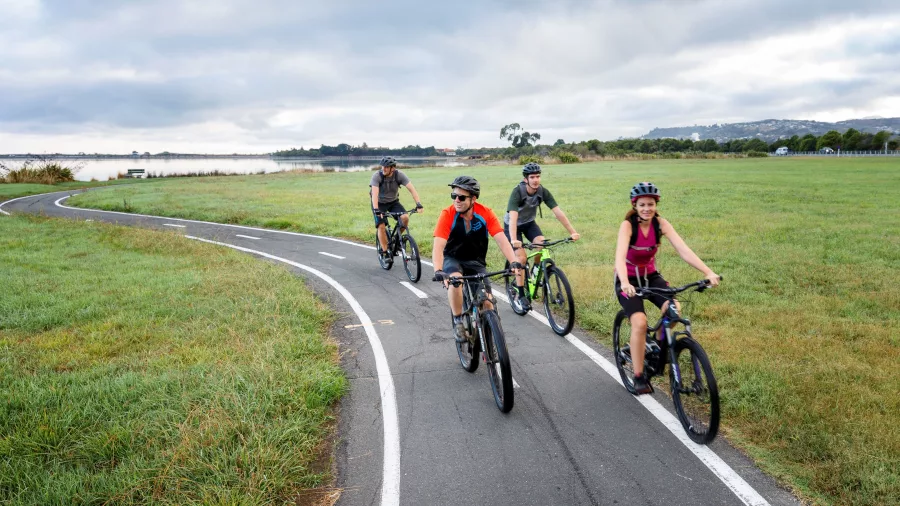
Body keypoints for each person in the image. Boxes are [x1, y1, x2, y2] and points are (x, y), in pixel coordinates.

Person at [614, 182, 720, 394]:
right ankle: (638, 375)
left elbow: (684, 250)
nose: (647, 208)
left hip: (651, 276)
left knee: (674, 310)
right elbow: (619, 256)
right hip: (629, 279)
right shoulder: (628, 226)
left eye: (650, 204)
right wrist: (625, 283)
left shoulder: (661, 224)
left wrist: (707, 272)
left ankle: (655, 346)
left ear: (656, 204)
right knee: (640, 322)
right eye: (642, 204)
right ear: (635, 205)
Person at [432, 176, 522, 342]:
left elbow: (501, 238)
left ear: (473, 199)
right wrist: (438, 270)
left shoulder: (485, 213)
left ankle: (489, 335)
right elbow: (438, 245)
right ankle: (458, 320)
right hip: (452, 259)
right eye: (454, 196)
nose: (456, 200)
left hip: (475, 261)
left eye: (461, 197)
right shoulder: (448, 214)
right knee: (456, 281)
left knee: (487, 304)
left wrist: (513, 260)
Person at [505, 162, 580, 310]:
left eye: (538, 176)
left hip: (529, 223)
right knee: (521, 258)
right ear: (525, 179)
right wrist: (514, 240)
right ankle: (521, 294)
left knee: (541, 243)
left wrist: (572, 232)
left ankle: (536, 271)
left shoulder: (542, 191)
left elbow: (558, 212)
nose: (535, 180)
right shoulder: (518, 192)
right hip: (512, 226)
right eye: (532, 177)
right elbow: (513, 218)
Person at [370, 156, 423, 259]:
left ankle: (397, 239)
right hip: (379, 204)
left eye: (386, 167)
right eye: (382, 166)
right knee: (381, 225)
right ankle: (385, 252)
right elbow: (374, 195)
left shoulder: (399, 175)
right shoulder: (377, 176)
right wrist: (376, 210)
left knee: (405, 218)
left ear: (392, 168)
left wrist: (418, 204)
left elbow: (412, 190)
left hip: (393, 202)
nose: (383, 169)